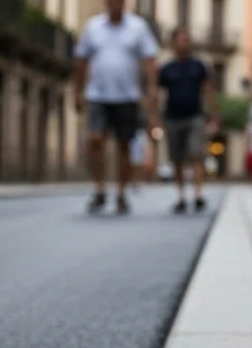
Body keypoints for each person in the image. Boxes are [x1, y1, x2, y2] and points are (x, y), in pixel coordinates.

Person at [73, 0, 160, 215]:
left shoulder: (138, 27)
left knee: (124, 145)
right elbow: (82, 61)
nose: (114, 4)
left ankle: (121, 192)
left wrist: (152, 89)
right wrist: (77, 91)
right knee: (95, 139)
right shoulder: (93, 27)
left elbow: (150, 60)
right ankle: (99, 189)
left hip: (127, 97)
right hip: (98, 95)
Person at [158, 27, 219, 214]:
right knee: (176, 159)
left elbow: (208, 91)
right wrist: (155, 117)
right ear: (174, 43)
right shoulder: (166, 69)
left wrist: (214, 114)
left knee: (196, 154)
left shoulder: (198, 66)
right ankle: (181, 196)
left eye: (186, 39)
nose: (184, 43)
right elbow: (160, 93)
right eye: (180, 39)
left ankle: (198, 194)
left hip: (195, 116)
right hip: (173, 117)